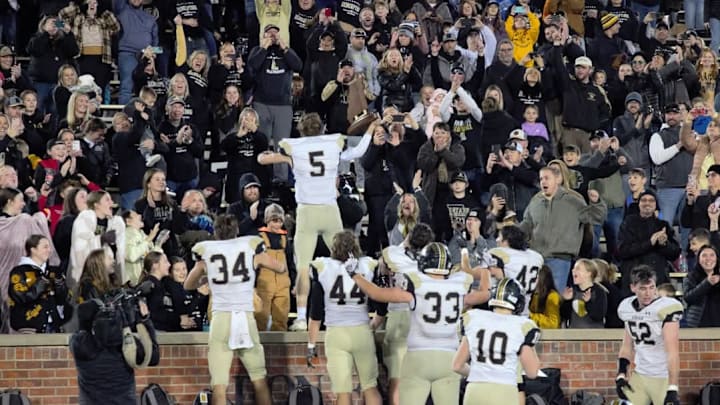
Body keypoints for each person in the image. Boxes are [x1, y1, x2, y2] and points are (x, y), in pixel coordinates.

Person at [257, 112, 372, 331]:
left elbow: (261, 158)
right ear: (322, 127)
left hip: (307, 212)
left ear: (301, 129)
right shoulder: (333, 142)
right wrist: (371, 129)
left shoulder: (294, 147)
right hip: (330, 209)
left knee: (302, 268)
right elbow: (358, 150)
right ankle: (356, 311)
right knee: (348, 262)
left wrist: (284, 158)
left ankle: (301, 317)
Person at [349, 242, 475, 405]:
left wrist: (354, 274)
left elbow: (376, 293)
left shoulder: (416, 283)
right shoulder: (458, 286)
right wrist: (468, 256)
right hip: (448, 357)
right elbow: (484, 293)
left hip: (418, 357)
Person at [184, 214, 285, 405]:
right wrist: (255, 266)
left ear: (215, 233)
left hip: (221, 318)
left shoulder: (207, 252)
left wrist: (207, 278)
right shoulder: (250, 248)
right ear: (237, 231)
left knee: (219, 385)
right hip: (245, 317)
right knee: (259, 378)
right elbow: (280, 268)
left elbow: (188, 285)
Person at [306, 231, 383, 405]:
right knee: (370, 387)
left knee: (343, 393)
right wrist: (375, 323)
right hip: (362, 330)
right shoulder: (367, 265)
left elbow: (315, 313)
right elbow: (381, 303)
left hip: (336, 334)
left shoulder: (323, 267)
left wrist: (311, 345)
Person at [452, 278, 541, 404]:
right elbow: (532, 372)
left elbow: (457, 365)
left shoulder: (474, 318)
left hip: (475, 391)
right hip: (504, 392)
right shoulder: (522, 326)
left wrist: (480, 372)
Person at [519, 165, 607, 289]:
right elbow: (527, 223)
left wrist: (597, 202)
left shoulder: (573, 200)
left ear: (556, 179)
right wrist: (512, 234)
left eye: (546, 178)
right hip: (537, 259)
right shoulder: (535, 201)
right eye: (541, 179)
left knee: (555, 300)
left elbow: (596, 217)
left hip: (560, 259)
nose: (543, 181)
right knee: (536, 300)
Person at [70, 290, 160, 404]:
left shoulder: (79, 345)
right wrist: (145, 320)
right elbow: (154, 357)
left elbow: (83, 326)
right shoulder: (126, 344)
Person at [379, 222, 435, 405]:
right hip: (423, 319)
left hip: (399, 314)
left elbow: (382, 271)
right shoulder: (434, 259)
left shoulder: (392, 253)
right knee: (420, 376)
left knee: (397, 376)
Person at [616, 266, 683, 405]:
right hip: (640, 375)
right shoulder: (627, 308)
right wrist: (621, 374)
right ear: (633, 288)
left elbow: (672, 351)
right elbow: (627, 345)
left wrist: (672, 387)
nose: (648, 293)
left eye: (651, 287)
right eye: (643, 288)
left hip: (662, 376)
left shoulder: (666, 308)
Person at [617, 190, 680, 294]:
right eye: (644, 200)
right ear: (639, 204)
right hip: (633, 277)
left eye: (651, 200)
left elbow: (675, 253)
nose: (647, 203)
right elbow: (623, 250)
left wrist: (664, 244)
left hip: (658, 279)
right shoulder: (628, 223)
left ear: (656, 205)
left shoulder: (663, 225)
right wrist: (650, 243)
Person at [8, 234, 70, 333]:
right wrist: (41, 284)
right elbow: (21, 297)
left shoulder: (53, 271)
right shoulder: (19, 271)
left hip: (54, 327)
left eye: (49, 247)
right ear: (33, 249)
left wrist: (60, 285)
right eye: (45, 247)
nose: (49, 250)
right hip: (29, 327)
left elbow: (64, 299)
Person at [70, 190, 126, 289]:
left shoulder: (113, 223)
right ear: (96, 205)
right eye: (107, 200)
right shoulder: (84, 219)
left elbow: (119, 253)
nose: (111, 203)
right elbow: (80, 250)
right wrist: (101, 239)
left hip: (105, 273)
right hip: (86, 276)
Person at [488, 225, 544, 316]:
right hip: (525, 311)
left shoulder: (500, 253)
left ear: (506, 241)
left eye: (499, 237)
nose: (497, 240)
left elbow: (494, 273)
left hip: (505, 309)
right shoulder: (536, 257)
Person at [255, 204, 293, 331]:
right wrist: (253, 285)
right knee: (260, 317)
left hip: (283, 284)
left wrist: (293, 282)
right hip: (264, 284)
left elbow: (290, 262)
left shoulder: (285, 239)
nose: (277, 225)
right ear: (267, 220)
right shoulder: (259, 238)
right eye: (274, 221)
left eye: (280, 221)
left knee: (281, 318)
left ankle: (278, 348)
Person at [560, 259, 608, 328]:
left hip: (594, 335)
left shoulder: (599, 292)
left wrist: (588, 302)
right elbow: (564, 316)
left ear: (589, 273)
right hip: (574, 335)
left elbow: (598, 316)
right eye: (573, 268)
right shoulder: (572, 291)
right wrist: (566, 301)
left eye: (578, 269)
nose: (573, 270)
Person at [683, 244, 720, 327]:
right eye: (704, 255)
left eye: (712, 255)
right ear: (698, 259)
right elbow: (688, 298)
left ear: (717, 259)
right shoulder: (691, 277)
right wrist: (707, 283)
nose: (708, 259)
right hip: (698, 325)